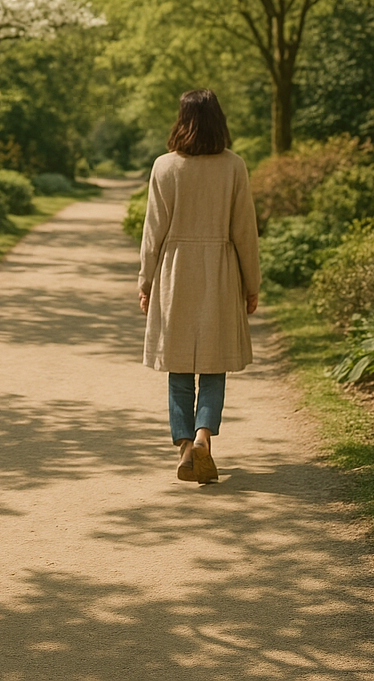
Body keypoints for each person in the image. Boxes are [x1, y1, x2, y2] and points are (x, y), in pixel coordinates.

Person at [137, 88, 260, 484]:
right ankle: (205, 438)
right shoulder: (233, 167)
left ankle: (185, 446)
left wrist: (145, 281)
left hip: (175, 273)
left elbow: (152, 232)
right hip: (221, 273)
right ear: (217, 119)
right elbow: (245, 232)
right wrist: (251, 283)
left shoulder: (164, 167)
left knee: (177, 366)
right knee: (212, 364)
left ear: (182, 119)